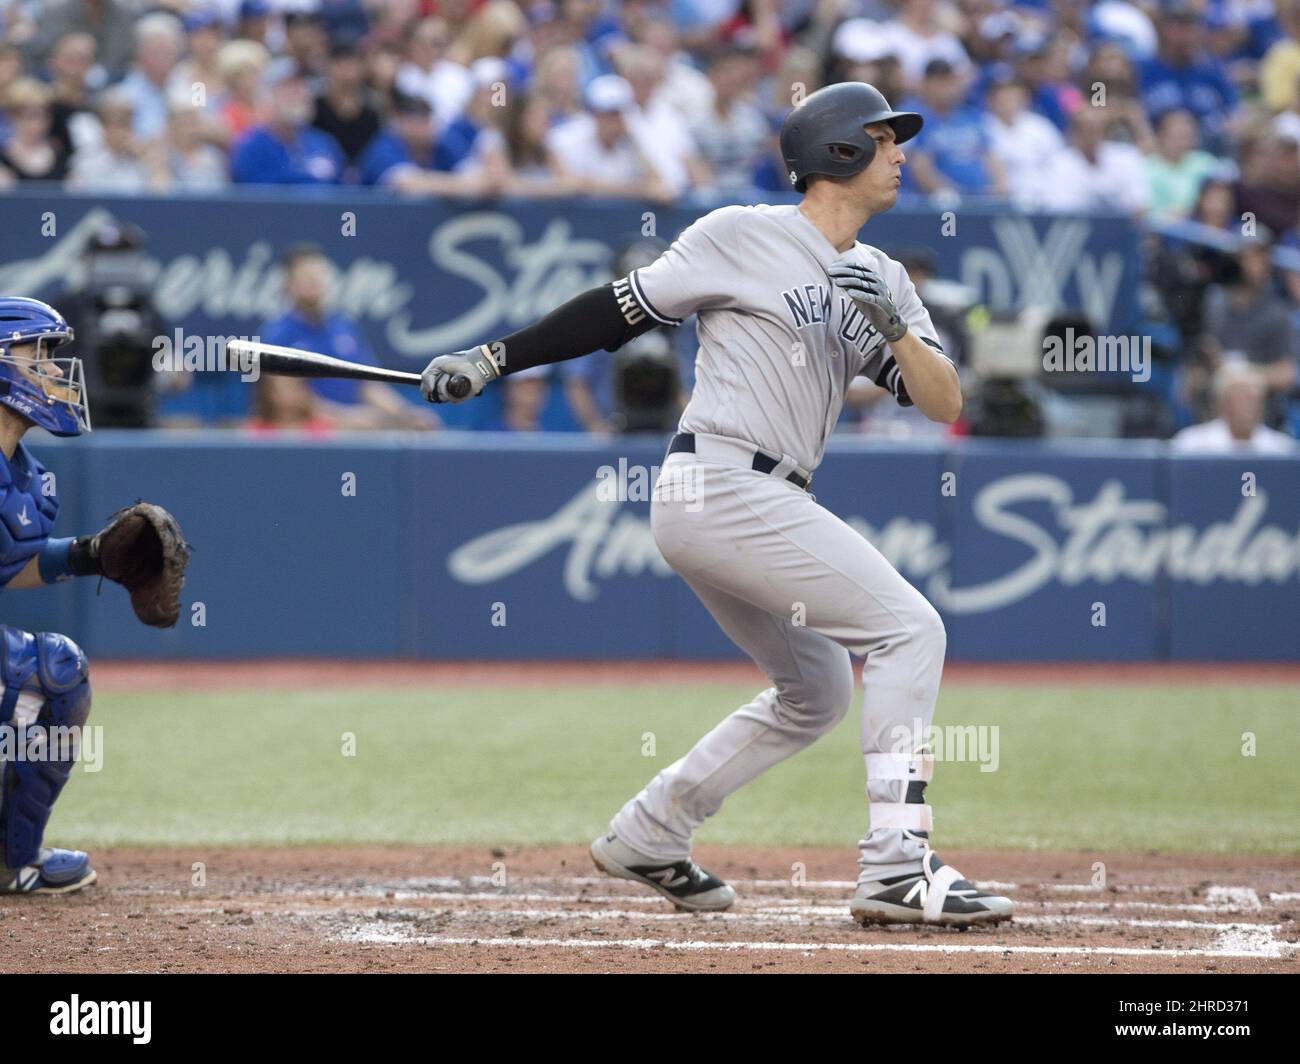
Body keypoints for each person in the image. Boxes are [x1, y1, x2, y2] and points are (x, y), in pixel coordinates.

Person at [418, 81, 1013, 928]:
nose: (901, 154)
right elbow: (616, 314)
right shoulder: (742, 233)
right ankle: (896, 866)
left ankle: (650, 832)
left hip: (760, 495)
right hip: (719, 477)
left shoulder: (881, 276)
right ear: (839, 151)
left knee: (817, 692)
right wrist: (492, 357)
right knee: (909, 628)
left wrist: (897, 331)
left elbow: (946, 402)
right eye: (885, 139)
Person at [0, 296, 187, 894]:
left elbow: (10, 566)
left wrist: (90, 555)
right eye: (39, 355)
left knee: (56, 673)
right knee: (41, 672)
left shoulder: (24, 471)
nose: (55, 370)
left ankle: (14, 859)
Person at [259, 244, 439, 430]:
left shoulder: (343, 326)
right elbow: (288, 399)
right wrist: (348, 418)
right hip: (305, 437)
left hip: (349, 434)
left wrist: (405, 414)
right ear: (288, 283)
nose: (315, 282)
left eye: (318, 275)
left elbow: (368, 385)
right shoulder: (277, 334)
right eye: (306, 277)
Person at [230, 59, 345, 185]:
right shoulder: (251, 148)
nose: (297, 93)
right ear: (267, 98)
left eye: (300, 85)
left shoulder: (324, 143)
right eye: (287, 87)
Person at [1172, 363, 1295, 453]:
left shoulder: (1281, 449)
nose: (1250, 407)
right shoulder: (1192, 444)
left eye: (1255, 399)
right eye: (1243, 399)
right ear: (1223, 403)